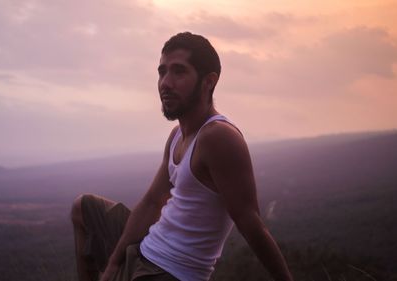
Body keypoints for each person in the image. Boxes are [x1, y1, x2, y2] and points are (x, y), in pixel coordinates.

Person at [71, 32, 293, 281]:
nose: (165, 82)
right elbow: (153, 202)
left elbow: (250, 222)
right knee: (83, 208)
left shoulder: (218, 137)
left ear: (209, 81)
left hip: (169, 272)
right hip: (147, 249)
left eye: (178, 71)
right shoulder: (178, 134)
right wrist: (114, 262)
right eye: (162, 72)